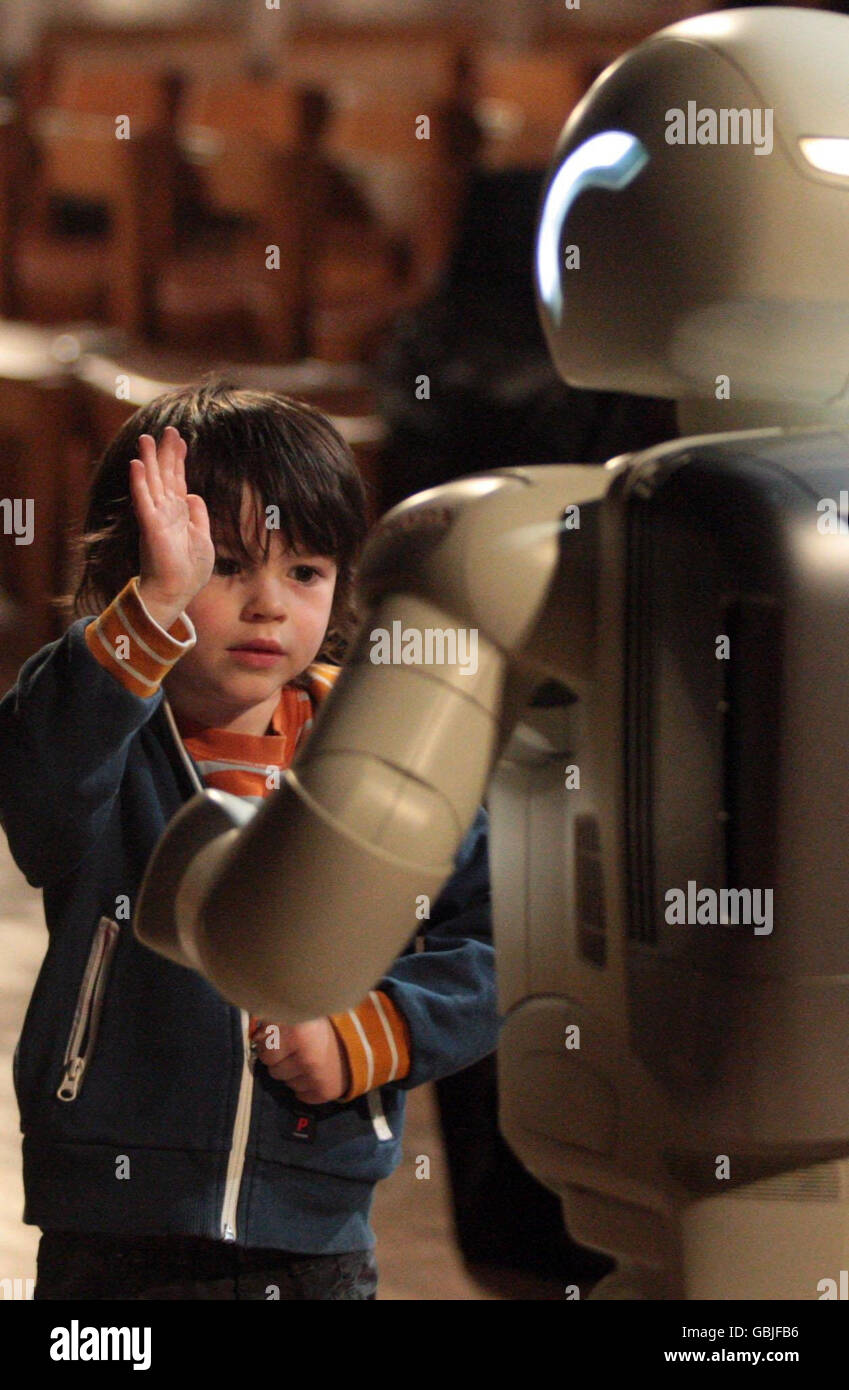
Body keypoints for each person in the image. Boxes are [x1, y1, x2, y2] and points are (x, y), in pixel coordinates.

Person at [0, 381, 497, 1300]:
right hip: (109, 1229)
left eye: (304, 572)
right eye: (224, 566)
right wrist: (151, 612)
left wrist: (370, 1033)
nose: (269, 604)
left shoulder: (379, 747)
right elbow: (38, 803)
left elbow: (504, 934)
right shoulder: (91, 721)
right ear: (136, 573)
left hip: (311, 1232)